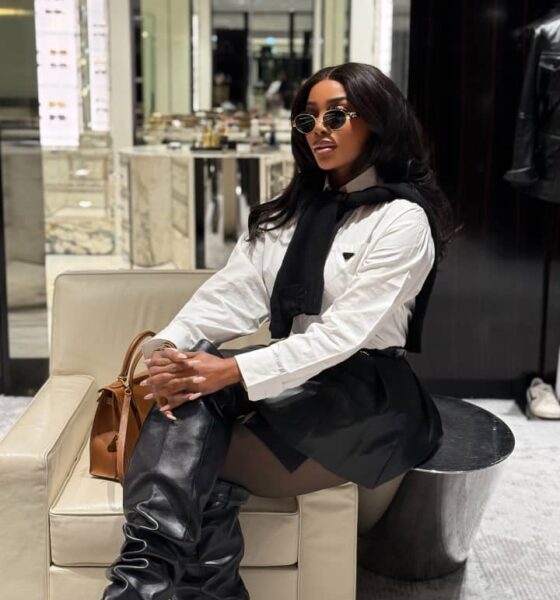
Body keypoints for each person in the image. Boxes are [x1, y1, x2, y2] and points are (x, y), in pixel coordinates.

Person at [102, 61, 456, 600]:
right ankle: (144, 584)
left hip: (364, 392)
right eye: (307, 119)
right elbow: (229, 295)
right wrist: (169, 350)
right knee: (193, 397)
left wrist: (228, 371)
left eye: (336, 116)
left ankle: (142, 585)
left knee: (194, 451)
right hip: (294, 372)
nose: (319, 130)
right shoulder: (286, 214)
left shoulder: (401, 220)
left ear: (377, 121)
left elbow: (342, 336)